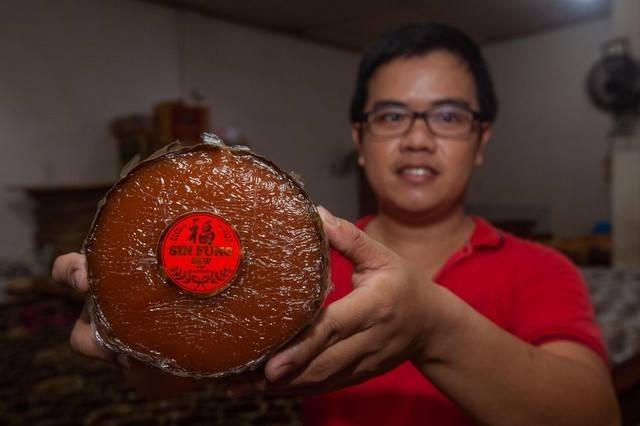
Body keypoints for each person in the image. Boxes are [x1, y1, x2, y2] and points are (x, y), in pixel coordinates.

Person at [53, 23, 620, 425]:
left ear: (480, 141)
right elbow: (173, 382)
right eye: (392, 115)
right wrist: (132, 324)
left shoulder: (541, 269)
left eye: (448, 116)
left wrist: (432, 327)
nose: (417, 138)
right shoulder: (299, 261)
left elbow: (593, 416)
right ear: (360, 139)